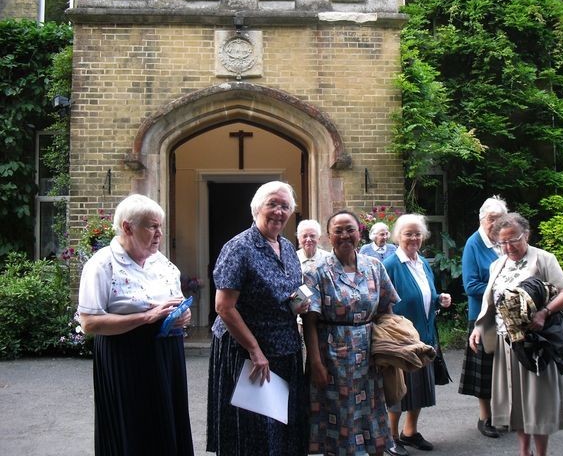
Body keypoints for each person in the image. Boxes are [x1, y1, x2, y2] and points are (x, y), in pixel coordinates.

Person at [77, 194, 194, 456]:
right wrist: (146, 318)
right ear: (127, 228)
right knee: (132, 427)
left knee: (168, 424)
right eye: (152, 226)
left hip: (167, 354)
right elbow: (89, 323)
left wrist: (182, 316)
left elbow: (176, 303)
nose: (159, 233)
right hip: (125, 355)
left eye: (160, 226)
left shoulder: (162, 262)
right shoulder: (102, 265)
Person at [206, 181, 309, 456]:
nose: (278, 211)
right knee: (255, 432)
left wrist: (297, 303)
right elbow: (224, 307)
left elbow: (287, 292)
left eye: (285, 206)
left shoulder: (288, 248)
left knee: (282, 426)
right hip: (248, 353)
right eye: (272, 204)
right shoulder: (239, 248)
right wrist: (255, 350)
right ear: (256, 209)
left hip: (285, 348)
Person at [469, 213, 563, 456]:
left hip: (536, 344)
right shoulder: (497, 264)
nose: (508, 247)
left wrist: (544, 313)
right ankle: (524, 452)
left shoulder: (543, 259)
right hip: (506, 343)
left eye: (513, 240)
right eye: (502, 242)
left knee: (537, 402)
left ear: (526, 235)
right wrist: (478, 328)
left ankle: (541, 453)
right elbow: (490, 303)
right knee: (515, 401)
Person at [303, 210, 400, 456]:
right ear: (329, 236)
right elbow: (309, 321)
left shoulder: (374, 266)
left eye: (350, 230)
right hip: (332, 359)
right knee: (339, 420)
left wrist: (391, 348)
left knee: (372, 415)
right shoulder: (315, 271)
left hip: (370, 358)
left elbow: (386, 309)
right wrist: (315, 363)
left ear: (359, 233)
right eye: (338, 231)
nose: (345, 235)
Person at [383, 214, 452, 455]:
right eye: (408, 233)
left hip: (425, 335)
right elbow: (381, 302)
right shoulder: (390, 265)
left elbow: (425, 294)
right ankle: (391, 436)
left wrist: (439, 299)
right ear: (398, 237)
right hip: (401, 339)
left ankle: (410, 432)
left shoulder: (423, 263)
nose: (413, 238)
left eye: (417, 234)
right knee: (399, 390)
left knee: (420, 386)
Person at [458, 196, 508, 438]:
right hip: (482, 317)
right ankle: (484, 418)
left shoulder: (505, 241)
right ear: (482, 219)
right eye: (491, 219)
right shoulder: (474, 244)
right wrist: (502, 289)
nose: (496, 223)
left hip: (508, 316)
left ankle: (503, 415)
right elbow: (470, 285)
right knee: (485, 371)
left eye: (500, 219)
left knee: (505, 368)